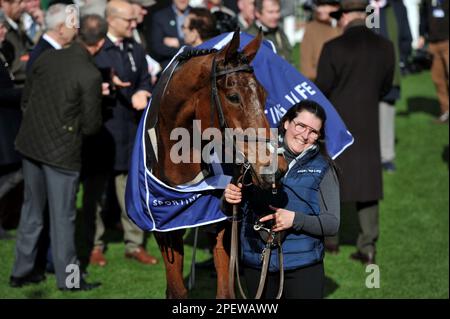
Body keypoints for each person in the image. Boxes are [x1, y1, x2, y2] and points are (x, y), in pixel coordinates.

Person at [10, 14, 107, 291]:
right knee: (64, 218)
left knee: (31, 210)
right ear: (99, 43)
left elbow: (26, 99)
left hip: (30, 145)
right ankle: (70, 281)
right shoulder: (89, 74)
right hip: (61, 154)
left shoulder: (46, 58)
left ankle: (21, 272)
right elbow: (91, 126)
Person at [224, 100, 340, 299]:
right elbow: (231, 211)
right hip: (257, 262)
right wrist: (228, 199)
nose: (305, 135)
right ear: (286, 123)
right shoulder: (255, 156)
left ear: (319, 136)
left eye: (313, 131)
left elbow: (332, 223)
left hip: (303, 267)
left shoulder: (323, 167)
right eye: (301, 125)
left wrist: (295, 219)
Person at [315, 0, 395, 264]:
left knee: (333, 180)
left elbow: (322, 89)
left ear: (346, 15)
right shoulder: (385, 47)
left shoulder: (333, 48)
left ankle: (331, 240)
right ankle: (368, 245)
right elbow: (386, 86)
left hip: (338, 126)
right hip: (368, 122)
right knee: (369, 182)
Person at [84, 0, 157, 268]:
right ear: (112, 20)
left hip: (130, 132)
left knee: (131, 193)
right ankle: (94, 244)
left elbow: (144, 79)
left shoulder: (134, 47)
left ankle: (134, 244)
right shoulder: (96, 49)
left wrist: (143, 91)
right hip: (103, 132)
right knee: (97, 194)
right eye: (128, 20)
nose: (134, 23)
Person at [370, 0, 412, 172]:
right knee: (366, 115)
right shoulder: (366, 7)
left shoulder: (396, 6)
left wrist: (401, 59)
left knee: (386, 112)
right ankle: (369, 154)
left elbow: (405, 37)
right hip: (366, 72)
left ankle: (386, 157)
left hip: (391, 71)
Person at [0, 9, 22, 240]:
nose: (4, 31)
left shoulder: (4, 51)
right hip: (4, 122)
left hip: (8, 120)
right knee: (13, 174)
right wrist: (24, 93)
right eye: (0, 28)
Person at [418, 0, 449, 124]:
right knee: (438, 79)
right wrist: (422, 35)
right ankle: (445, 111)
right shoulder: (427, 1)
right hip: (433, 43)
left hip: (448, 41)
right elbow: (423, 16)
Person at [27, 3, 78, 72]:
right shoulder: (48, 58)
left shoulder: (44, 50)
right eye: (74, 26)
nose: (76, 31)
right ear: (61, 28)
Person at [300, 0, 341, 81]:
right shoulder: (311, 29)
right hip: (322, 86)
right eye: (318, 5)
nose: (319, 10)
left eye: (324, 5)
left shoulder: (344, 27)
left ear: (336, 7)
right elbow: (306, 69)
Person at [149, 0, 191, 70]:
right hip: (172, 66)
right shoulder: (160, 16)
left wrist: (179, 42)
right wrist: (189, 48)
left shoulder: (199, 14)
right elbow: (157, 47)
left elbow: (204, 41)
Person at [0, 0, 33, 86]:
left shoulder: (18, 25)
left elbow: (28, 50)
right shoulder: (6, 33)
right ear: (4, 3)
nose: (23, 6)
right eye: (19, 2)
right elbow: (15, 66)